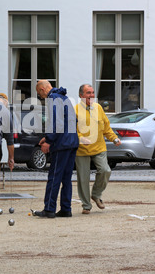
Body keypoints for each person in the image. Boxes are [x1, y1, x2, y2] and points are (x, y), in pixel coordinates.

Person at [32, 80, 79, 218]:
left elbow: (56, 122)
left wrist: (49, 140)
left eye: (39, 93)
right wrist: (46, 138)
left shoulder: (53, 98)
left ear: (43, 89)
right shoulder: (65, 98)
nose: (41, 97)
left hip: (61, 144)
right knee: (66, 178)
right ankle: (66, 208)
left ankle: (49, 209)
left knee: (54, 176)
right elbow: (72, 121)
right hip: (72, 142)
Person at [75, 84, 121, 214]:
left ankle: (96, 194)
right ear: (81, 95)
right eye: (88, 93)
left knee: (105, 170)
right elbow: (71, 130)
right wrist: (80, 138)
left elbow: (106, 127)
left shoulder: (99, 108)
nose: (91, 95)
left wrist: (114, 138)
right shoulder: (75, 110)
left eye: (92, 92)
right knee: (83, 178)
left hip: (99, 147)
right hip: (82, 149)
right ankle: (86, 205)